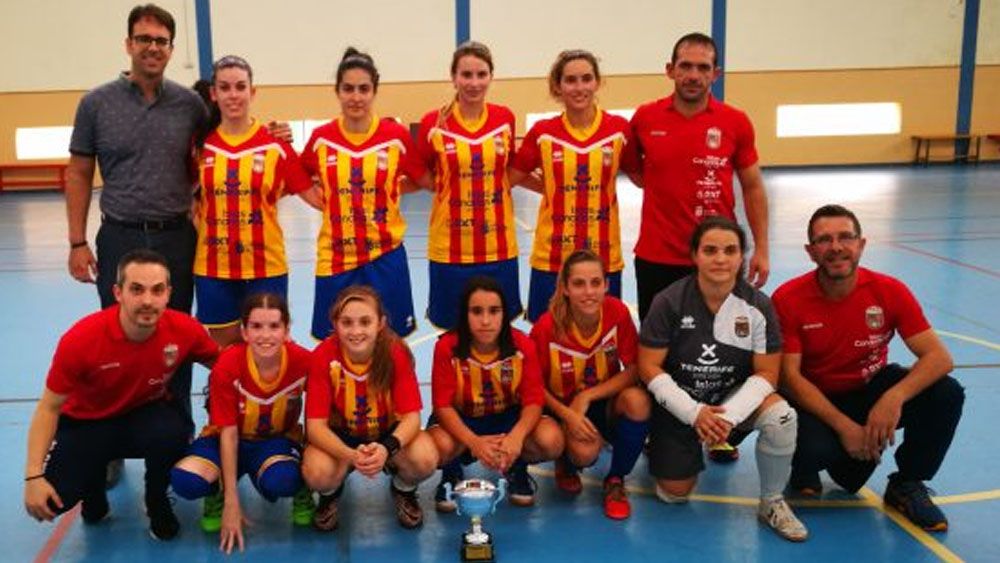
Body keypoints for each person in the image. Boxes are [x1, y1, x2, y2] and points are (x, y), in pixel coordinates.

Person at [772, 204, 964, 532]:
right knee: (814, 451)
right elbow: (789, 377)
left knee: (946, 393)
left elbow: (939, 358)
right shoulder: (789, 298)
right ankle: (806, 467)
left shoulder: (889, 290)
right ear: (810, 251)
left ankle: (907, 483)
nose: (836, 247)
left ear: (861, 244)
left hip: (868, 390)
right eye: (824, 240)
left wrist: (893, 398)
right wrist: (846, 428)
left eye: (845, 237)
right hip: (814, 400)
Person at [65, 2, 208, 435]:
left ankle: (177, 431)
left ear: (171, 49)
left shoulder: (190, 105)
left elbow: (226, 141)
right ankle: (109, 433)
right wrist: (76, 242)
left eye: (161, 41)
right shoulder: (96, 104)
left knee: (175, 337)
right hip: (120, 237)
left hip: (175, 239)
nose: (152, 47)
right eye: (144, 39)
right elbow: (79, 172)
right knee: (116, 339)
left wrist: (273, 134)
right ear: (128, 44)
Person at [23, 250, 219, 541]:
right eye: (136, 289)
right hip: (87, 423)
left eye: (157, 290)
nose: (148, 301)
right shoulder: (82, 339)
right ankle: (93, 488)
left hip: (144, 415)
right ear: (118, 293)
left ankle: (157, 500)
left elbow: (225, 365)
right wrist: (33, 476)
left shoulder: (185, 329)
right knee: (51, 502)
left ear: (168, 293)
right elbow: (49, 408)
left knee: (174, 433)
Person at [637, 217, 808, 542]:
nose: (720, 259)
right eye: (710, 250)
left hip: (731, 399)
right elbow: (648, 367)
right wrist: (694, 413)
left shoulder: (758, 306)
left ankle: (772, 501)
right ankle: (668, 445)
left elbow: (768, 373)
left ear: (742, 257)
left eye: (730, 250)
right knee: (674, 494)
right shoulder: (669, 302)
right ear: (695, 255)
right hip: (682, 402)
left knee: (782, 416)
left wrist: (727, 417)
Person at [629, 32, 770, 320]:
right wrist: (663, 186)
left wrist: (762, 249)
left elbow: (753, 187)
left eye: (703, 67)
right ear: (670, 70)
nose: (694, 76)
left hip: (718, 255)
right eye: (685, 66)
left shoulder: (736, 122)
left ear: (715, 74)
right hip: (657, 257)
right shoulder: (645, 117)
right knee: (657, 339)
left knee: (723, 338)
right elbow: (632, 168)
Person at [170, 293, 313, 553]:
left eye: (274, 326)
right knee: (185, 480)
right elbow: (228, 434)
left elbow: (322, 412)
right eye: (256, 326)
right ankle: (216, 492)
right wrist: (231, 502)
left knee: (284, 480)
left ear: (286, 330)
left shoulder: (303, 362)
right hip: (224, 439)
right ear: (244, 332)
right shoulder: (228, 365)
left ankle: (299, 489)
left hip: (275, 443)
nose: (265, 335)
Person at [192, 55, 319, 347]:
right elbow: (186, 198)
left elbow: (314, 196)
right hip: (214, 267)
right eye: (225, 87)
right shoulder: (200, 146)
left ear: (253, 91)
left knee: (268, 344)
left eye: (240, 86)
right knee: (226, 350)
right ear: (214, 93)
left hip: (266, 266)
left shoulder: (275, 146)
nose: (233, 95)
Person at [301, 48, 426, 340]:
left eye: (363, 89)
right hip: (335, 256)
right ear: (337, 91)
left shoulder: (396, 136)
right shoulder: (321, 139)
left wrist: (391, 189)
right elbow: (297, 176)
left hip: (385, 256)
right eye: (348, 89)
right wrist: (322, 200)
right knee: (336, 343)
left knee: (390, 342)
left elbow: (423, 179)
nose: (356, 97)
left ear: (374, 91)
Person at [513, 50, 637, 322]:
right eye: (570, 80)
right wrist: (548, 188)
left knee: (602, 333)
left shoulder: (619, 130)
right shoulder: (543, 132)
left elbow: (641, 177)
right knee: (547, 333)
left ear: (597, 82)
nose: (579, 87)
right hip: (552, 257)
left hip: (603, 256)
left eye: (586, 79)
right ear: (557, 86)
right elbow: (513, 175)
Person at [302, 285, 438, 531]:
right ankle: (331, 494)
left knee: (425, 457)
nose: (356, 331)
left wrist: (387, 449)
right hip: (341, 437)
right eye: (347, 322)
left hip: (386, 435)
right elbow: (315, 428)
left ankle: (403, 489)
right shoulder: (323, 356)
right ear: (335, 324)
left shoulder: (395, 353)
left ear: (380, 324)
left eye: (365, 322)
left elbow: (411, 418)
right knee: (316, 472)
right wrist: (350, 455)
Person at [529, 249, 649, 519]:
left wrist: (587, 396)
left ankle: (615, 479)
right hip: (560, 406)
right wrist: (567, 415)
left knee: (638, 401)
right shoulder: (547, 327)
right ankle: (565, 459)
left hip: (601, 402)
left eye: (596, 282)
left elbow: (634, 369)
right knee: (584, 453)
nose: (589, 292)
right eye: (579, 284)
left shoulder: (617, 312)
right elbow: (533, 385)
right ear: (565, 288)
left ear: (606, 284)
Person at [428, 277, 563, 511]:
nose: (485, 320)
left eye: (494, 311)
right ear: (465, 315)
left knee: (551, 439)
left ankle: (516, 467)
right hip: (463, 419)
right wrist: (473, 442)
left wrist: (516, 437)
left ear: (504, 314)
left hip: (507, 419)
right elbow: (443, 406)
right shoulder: (447, 347)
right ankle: (452, 472)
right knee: (436, 446)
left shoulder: (522, 345)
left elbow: (533, 401)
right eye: (476, 311)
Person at [414, 41, 523, 329]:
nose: (474, 83)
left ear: (491, 76)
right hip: (449, 248)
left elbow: (510, 169)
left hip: (498, 246)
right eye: (466, 75)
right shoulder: (433, 123)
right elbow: (422, 173)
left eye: (481, 74)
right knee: (452, 332)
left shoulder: (505, 118)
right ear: (453, 77)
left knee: (497, 330)